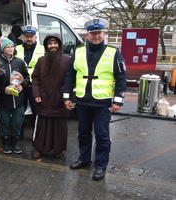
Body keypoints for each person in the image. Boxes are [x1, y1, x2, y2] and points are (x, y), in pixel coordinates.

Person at [63, 18, 126, 181]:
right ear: (87, 35)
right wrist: (68, 97)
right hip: (83, 101)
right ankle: (84, 159)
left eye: (98, 33)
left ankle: (100, 166)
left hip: (102, 103)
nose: (96, 36)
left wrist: (118, 100)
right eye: (92, 33)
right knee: (83, 133)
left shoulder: (113, 52)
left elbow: (121, 78)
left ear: (103, 34)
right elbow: (70, 75)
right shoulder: (78, 51)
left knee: (102, 135)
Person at [31, 34, 71, 159]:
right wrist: (36, 93)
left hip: (60, 98)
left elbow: (71, 79)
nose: (53, 46)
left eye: (55, 43)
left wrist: (65, 94)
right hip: (44, 98)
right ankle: (39, 148)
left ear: (59, 44)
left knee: (59, 127)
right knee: (43, 126)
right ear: (46, 46)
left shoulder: (67, 59)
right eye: (50, 44)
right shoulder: (41, 60)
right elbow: (35, 78)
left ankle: (58, 150)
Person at [0, 37, 30, 154]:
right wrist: (3, 89)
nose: (10, 49)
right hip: (4, 100)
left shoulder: (19, 62)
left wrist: (23, 85)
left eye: (12, 46)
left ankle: (14, 144)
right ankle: (5, 144)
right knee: (4, 122)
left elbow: (27, 77)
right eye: (7, 47)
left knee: (17, 122)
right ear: (2, 49)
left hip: (18, 100)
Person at [15, 25, 44, 140]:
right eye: (27, 36)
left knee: (36, 111)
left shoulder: (42, 49)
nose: (29, 39)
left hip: (35, 86)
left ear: (35, 37)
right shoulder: (17, 48)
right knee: (19, 111)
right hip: (21, 85)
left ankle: (36, 134)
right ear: (23, 37)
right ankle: (19, 134)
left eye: (31, 36)